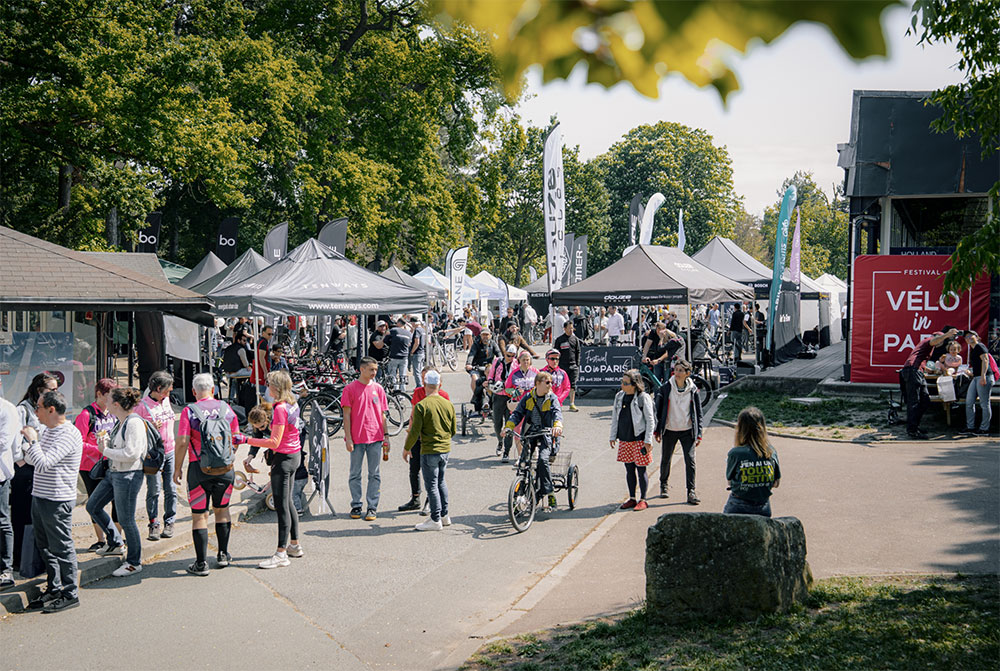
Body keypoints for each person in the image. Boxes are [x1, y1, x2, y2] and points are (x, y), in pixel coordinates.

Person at [174, 373, 242, 577]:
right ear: (213, 389)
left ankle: (201, 563)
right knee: (222, 512)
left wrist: (177, 468)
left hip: (198, 471)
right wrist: (226, 457)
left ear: (194, 392)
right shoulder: (226, 408)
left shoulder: (189, 411)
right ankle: (223, 554)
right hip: (225, 471)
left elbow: (183, 441)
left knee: (199, 517)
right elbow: (236, 438)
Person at [20, 390, 82, 612]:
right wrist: (33, 444)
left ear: (51, 409)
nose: (35, 412)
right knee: (46, 547)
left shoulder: (68, 434)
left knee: (62, 547)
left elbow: (43, 463)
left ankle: (70, 592)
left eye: (38, 407)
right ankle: (54, 588)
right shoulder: (47, 431)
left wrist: (32, 440)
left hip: (57, 499)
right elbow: (30, 458)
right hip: (41, 495)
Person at [244, 371, 305, 569]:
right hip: (294, 454)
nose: (267, 387)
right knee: (288, 503)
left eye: (269, 384)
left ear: (276, 387)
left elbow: (274, 441)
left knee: (282, 506)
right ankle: (294, 545)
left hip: (284, 458)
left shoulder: (279, 408)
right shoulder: (292, 401)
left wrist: (245, 440)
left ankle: (281, 553)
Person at [96, 387, 149, 577]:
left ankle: (134, 562)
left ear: (116, 404)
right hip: (115, 472)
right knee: (93, 506)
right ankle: (116, 542)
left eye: (109, 400)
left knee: (127, 519)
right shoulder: (122, 421)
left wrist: (105, 450)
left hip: (128, 475)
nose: (105, 402)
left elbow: (132, 453)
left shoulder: (133, 423)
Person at [11, 373, 58, 570]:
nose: (56, 393)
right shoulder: (23, 410)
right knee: (22, 515)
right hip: (25, 469)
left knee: (35, 516)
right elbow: (15, 440)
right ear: (40, 390)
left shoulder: (47, 411)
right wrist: (21, 460)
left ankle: (34, 559)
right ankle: (18, 559)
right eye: (52, 390)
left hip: (39, 466)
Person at [502, 371, 563, 513]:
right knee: (523, 463)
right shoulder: (528, 397)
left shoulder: (552, 398)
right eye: (547, 382)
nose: (550, 385)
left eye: (551, 382)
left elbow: (557, 413)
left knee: (542, 460)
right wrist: (508, 427)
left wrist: (557, 426)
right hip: (530, 434)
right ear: (537, 384)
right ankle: (519, 494)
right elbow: (517, 414)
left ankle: (550, 493)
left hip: (546, 435)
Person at [404, 370, 457, 531]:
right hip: (445, 448)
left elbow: (415, 431)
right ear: (439, 384)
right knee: (441, 482)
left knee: (432, 485)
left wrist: (406, 448)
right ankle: (444, 515)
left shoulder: (422, 405)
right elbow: (453, 429)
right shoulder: (447, 403)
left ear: (425, 384)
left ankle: (435, 519)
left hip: (429, 448)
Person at [341, 357, 390, 521]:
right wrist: (348, 438)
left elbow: (383, 415)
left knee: (374, 474)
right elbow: (346, 415)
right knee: (355, 473)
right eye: (371, 370)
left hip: (375, 438)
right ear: (362, 369)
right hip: (357, 438)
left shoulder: (379, 389)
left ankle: (372, 507)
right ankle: (356, 504)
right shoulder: (350, 389)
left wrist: (386, 436)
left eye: (375, 370)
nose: (374, 373)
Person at [74, 378, 120, 551]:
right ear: (99, 394)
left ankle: (116, 538)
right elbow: (78, 442)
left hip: (110, 463)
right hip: (90, 466)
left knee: (117, 500)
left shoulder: (113, 413)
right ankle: (100, 539)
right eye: (109, 396)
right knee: (95, 502)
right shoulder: (86, 414)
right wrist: (99, 449)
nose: (112, 399)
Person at [653, 359, 703, 504]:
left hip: (687, 430)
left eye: (681, 370)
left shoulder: (693, 390)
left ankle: (691, 491)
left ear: (688, 373)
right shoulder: (666, 388)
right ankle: (664, 484)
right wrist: (657, 431)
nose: (677, 373)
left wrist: (699, 433)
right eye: (676, 370)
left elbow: (698, 413)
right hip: (670, 429)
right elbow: (658, 410)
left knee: (690, 460)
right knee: (666, 459)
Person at [136, 371, 176, 542]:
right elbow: (134, 431)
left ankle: (170, 521)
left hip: (170, 450)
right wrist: (149, 426)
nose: (169, 394)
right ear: (158, 388)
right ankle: (154, 523)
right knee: (154, 490)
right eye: (167, 390)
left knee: (171, 488)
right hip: (153, 454)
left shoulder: (166, 401)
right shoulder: (142, 406)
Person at [899, 326, 960, 439]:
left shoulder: (925, 346)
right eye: (941, 340)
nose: (942, 343)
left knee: (925, 400)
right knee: (915, 401)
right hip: (913, 371)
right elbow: (934, 340)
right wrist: (946, 335)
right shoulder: (929, 341)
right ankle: (912, 430)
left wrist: (928, 369)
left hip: (917, 370)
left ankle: (915, 426)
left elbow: (919, 359)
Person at [608, 369, 655, 511]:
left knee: (641, 469)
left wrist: (648, 440)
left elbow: (650, 419)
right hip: (625, 438)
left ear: (634, 385)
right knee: (629, 469)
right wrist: (612, 435)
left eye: (625, 383)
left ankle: (643, 499)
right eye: (622, 382)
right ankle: (632, 498)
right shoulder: (619, 396)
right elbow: (615, 416)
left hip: (639, 439)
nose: (622, 385)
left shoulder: (643, 397)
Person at [724, 407, 781, 517]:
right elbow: (776, 483)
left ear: (740, 429)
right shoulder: (771, 452)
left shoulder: (735, 453)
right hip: (763, 506)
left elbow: (730, 481)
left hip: (738, 505)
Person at [486, 347, 517, 461]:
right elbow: (491, 374)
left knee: (509, 424)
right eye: (508, 355)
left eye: (513, 356)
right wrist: (490, 382)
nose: (510, 358)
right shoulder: (498, 361)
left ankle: (507, 451)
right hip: (498, 395)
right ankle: (500, 441)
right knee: (497, 422)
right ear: (504, 353)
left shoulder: (516, 364)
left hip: (509, 397)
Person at [0, 395, 18, 590]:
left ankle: (6, 570)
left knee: (2, 521)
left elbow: (3, 442)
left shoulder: (7, 409)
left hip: (0, 475)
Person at [963, 330, 995, 435]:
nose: (969, 338)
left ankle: (984, 429)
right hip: (976, 377)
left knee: (984, 404)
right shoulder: (973, 349)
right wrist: (970, 373)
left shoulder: (980, 346)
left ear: (977, 337)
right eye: (967, 337)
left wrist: (983, 377)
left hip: (984, 377)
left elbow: (985, 361)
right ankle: (970, 427)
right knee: (969, 402)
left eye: (971, 335)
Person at [466, 328, 501, 415]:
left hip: (489, 368)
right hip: (476, 367)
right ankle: (477, 397)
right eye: (483, 335)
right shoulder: (476, 344)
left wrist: (502, 360)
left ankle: (493, 400)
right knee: (475, 378)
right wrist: (469, 364)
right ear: (480, 336)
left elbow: (498, 353)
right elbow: (471, 354)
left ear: (490, 335)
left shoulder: (493, 343)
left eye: (487, 335)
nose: (485, 337)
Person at [552, 320, 581, 411]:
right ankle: (558, 403)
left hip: (573, 366)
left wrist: (577, 364)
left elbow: (578, 352)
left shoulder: (575, 339)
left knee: (573, 385)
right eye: (569, 328)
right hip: (562, 366)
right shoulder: (559, 340)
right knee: (560, 385)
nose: (571, 330)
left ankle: (572, 404)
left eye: (572, 328)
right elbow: (555, 353)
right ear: (564, 329)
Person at [385, 317, 412, 390]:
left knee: (393, 374)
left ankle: (395, 391)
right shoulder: (409, 333)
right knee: (402, 375)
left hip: (394, 356)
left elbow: (386, 340)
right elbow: (409, 344)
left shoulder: (393, 330)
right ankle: (402, 392)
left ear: (399, 323)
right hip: (404, 357)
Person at [251, 324, 274, 396]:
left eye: (272, 334)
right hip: (260, 372)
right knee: (262, 394)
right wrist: (265, 371)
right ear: (263, 333)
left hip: (258, 370)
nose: (270, 336)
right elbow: (261, 357)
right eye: (269, 334)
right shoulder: (263, 343)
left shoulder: (261, 341)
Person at [408, 317, 426, 387]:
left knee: (416, 372)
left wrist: (412, 351)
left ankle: (419, 386)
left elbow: (417, 342)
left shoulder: (417, 330)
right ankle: (421, 385)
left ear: (413, 322)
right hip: (422, 352)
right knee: (420, 370)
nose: (411, 324)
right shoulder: (422, 329)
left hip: (417, 353)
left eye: (411, 323)